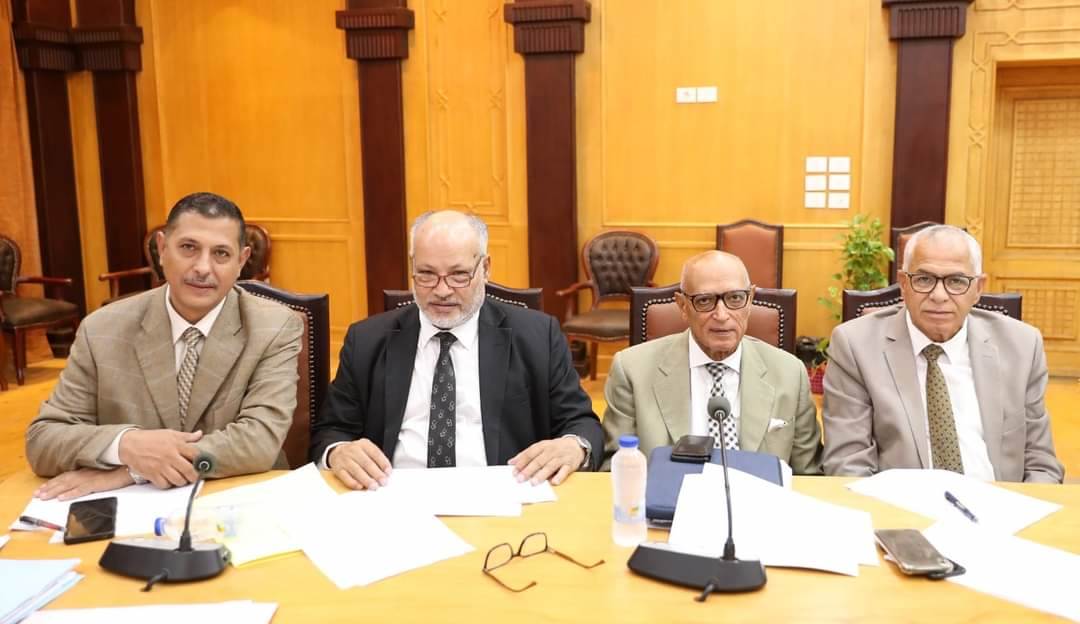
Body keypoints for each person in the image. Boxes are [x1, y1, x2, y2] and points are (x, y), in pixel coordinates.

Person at [26, 192, 303, 500]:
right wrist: (127, 445)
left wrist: (134, 470)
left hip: (238, 497)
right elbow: (44, 440)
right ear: (162, 249)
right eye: (188, 247)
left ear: (241, 261)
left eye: (221, 254)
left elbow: (259, 442)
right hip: (131, 510)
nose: (203, 267)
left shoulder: (273, 326)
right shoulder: (102, 329)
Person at [311, 210, 602, 489]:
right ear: (412, 267)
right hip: (394, 495)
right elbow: (331, 431)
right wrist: (338, 452)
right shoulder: (367, 340)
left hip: (503, 496)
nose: (442, 290)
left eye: (459, 275)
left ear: (485, 268)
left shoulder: (537, 337)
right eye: (426, 274)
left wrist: (574, 446)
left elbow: (581, 423)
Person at [823, 225, 1063, 483]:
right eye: (924, 280)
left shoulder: (1022, 346)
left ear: (978, 288)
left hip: (999, 500)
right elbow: (848, 464)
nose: (939, 296)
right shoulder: (856, 346)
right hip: (899, 503)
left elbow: (1041, 465)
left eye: (956, 281)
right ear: (903, 283)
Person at [601, 251, 823, 473]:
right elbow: (615, 471)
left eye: (735, 298)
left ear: (750, 300)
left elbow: (810, 476)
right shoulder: (632, 370)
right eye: (705, 301)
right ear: (682, 306)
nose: (722, 315)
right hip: (668, 494)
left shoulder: (790, 373)